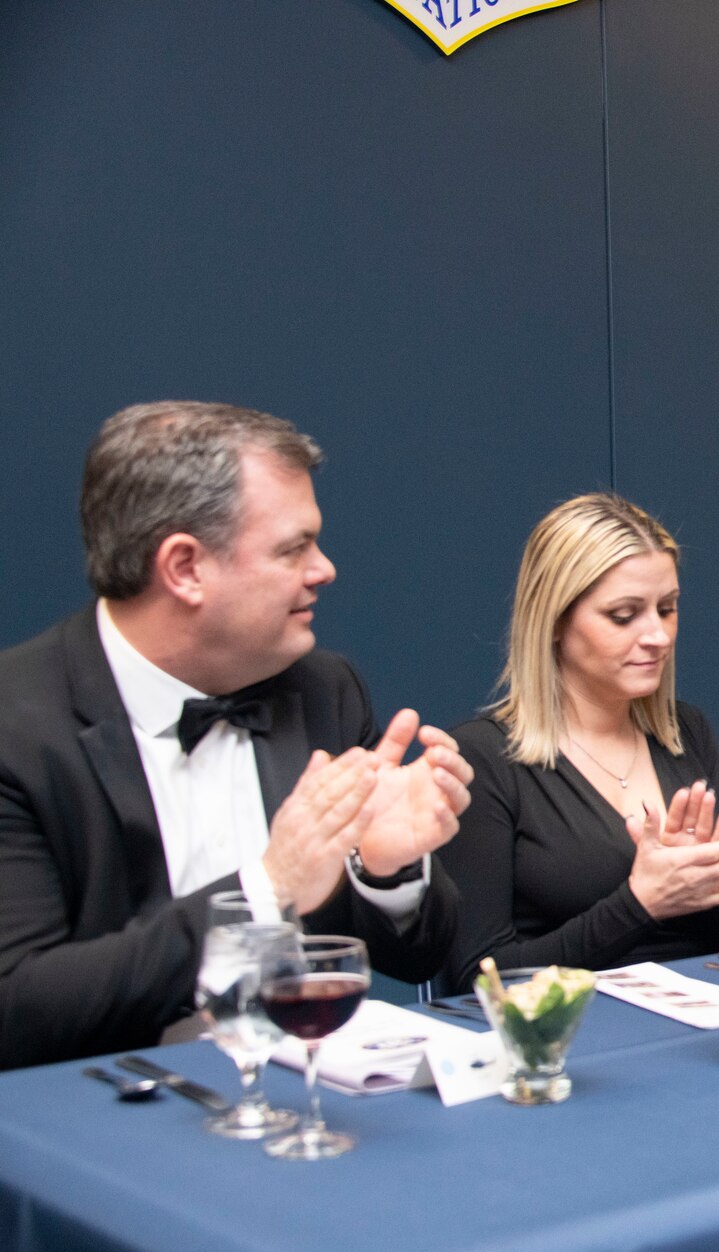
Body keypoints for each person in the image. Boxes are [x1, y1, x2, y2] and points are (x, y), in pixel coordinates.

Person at [0, 402, 469, 1070]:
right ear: (185, 567)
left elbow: (418, 955)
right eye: (292, 547)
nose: (324, 568)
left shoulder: (323, 690)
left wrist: (385, 870)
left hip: (310, 1102)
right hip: (107, 1120)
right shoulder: (18, 729)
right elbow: (19, 1007)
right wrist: (266, 888)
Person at [439, 495, 719, 989]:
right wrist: (639, 904)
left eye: (667, 609)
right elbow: (476, 979)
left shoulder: (686, 733)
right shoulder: (482, 759)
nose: (658, 636)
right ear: (555, 622)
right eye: (624, 616)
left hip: (699, 1028)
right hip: (568, 1040)